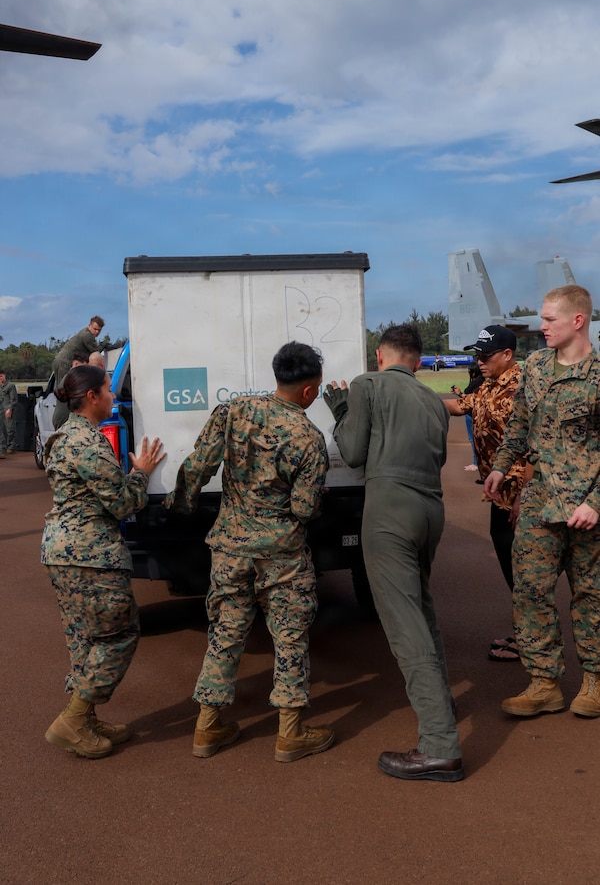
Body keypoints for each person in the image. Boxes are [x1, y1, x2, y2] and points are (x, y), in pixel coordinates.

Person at [165, 341, 334, 762]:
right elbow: (304, 509)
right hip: (283, 554)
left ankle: (207, 728)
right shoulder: (309, 438)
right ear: (310, 391)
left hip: (229, 547)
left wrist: (180, 509)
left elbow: (198, 466)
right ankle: (290, 733)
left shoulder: (232, 412)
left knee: (225, 634)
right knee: (290, 637)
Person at [324, 324, 463, 782]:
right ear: (418, 362)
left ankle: (439, 745)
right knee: (421, 609)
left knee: (405, 625)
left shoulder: (367, 385)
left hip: (390, 509)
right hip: (430, 507)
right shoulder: (432, 401)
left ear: (380, 357)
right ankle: (441, 702)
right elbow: (439, 459)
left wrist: (340, 410)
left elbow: (353, 451)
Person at [485, 284, 600, 719]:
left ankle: (595, 682)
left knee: (592, 597)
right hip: (540, 503)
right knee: (530, 593)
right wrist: (501, 466)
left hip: (587, 508)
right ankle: (544, 683)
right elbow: (520, 423)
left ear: (577, 320)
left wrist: (597, 503)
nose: (542, 326)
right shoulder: (534, 367)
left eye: (549, 319)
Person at [42, 364, 165, 758]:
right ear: (92, 397)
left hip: (64, 551)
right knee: (118, 636)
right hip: (89, 555)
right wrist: (141, 472)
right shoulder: (88, 443)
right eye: (109, 390)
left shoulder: (66, 436)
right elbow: (123, 502)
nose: (113, 396)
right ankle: (73, 719)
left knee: (85, 638)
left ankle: (86, 719)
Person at [445, 325, 526, 661]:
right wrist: (409, 392)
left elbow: (533, 443)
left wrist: (524, 494)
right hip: (501, 494)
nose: (479, 360)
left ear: (507, 355)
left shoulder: (522, 387)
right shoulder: (491, 385)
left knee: (526, 571)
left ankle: (532, 643)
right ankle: (527, 635)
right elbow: (462, 405)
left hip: (519, 497)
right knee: (514, 567)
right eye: (477, 354)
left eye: (486, 355)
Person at [52, 316, 105, 385]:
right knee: (63, 388)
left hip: (62, 361)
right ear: (89, 326)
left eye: (99, 330)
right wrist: (104, 345)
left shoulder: (84, 332)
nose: (97, 332)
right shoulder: (87, 335)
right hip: (64, 363)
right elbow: (95, 352)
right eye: (95, 329)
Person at [451, 363, 484, 471]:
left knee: (473, 438)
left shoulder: (478, 383)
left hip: (472, 414)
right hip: (472, 414)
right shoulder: (477, 382)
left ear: (474, 372)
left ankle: (476, 463)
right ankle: (478, 462)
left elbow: (472, 399)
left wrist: (460, 394)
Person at [52, 351, 90, 430]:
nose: (86, 371)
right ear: (76, 364)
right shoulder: (73, 378)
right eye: (85, 367)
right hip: (65, 420)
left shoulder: (69, 377)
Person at [0, 369, 18, 457]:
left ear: (4, 376)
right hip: (1, 408)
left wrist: (10, 409)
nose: (0, 378)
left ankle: (11, 447)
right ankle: (3, 448)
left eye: (1, 376)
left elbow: (13, 399)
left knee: (10, 429)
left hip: (8, 408)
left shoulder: (10, 386)